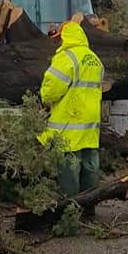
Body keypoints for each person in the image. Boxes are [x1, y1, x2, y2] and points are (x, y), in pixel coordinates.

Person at [38, 20, 104, 197]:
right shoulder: (94, 59)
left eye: (60, 38)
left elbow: (51, 90)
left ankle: (71, 207)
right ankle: (89, 204)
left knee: (69, 166)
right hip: (90, 121)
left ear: (65, 38)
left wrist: (44, 99)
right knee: (90, 163)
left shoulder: (66, 58)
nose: (58, 42)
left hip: (70, 119)